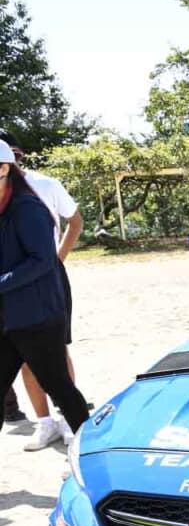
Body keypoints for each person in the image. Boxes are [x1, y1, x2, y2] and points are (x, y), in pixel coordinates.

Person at [0, 129, 86, 450]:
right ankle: (46, 425)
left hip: (36, 315)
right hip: (6, 318)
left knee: (59, 387)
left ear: (4, 168)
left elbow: (41, 259)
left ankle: (89, 454)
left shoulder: (27, 208)